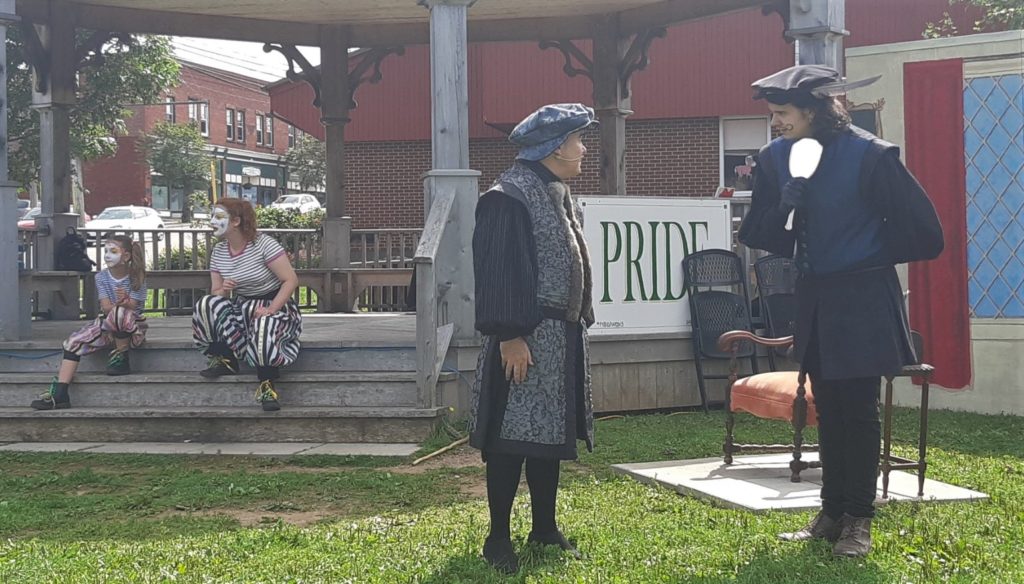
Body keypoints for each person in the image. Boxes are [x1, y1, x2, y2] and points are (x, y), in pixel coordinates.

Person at [738, 64, 943, 557]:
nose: (776, 123)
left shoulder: (869, 156)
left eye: (783, 113)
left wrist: (864, 251)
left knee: (859, 409)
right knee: (827, 407)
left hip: (864, 295)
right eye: (773, 114)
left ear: (812, 110)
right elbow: (758, 235)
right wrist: (782, 209)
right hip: (816, 296)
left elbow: (925, 233)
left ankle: (859, 519)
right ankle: (831, 513)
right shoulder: (774, 159)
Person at [469, 103, 598, 574]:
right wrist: (510, 336)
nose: (583, 150)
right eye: (578, 141)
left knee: (548, 434)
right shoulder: (508, 196)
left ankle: (544, 527)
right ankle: (497, 538)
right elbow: (499, 270)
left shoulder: (556, 192)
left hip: (558, 338)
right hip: (525, 338)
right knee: (509, 439)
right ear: (557, 147)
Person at [192, 198, 302, 411]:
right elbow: (217, 294)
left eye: (219, 217)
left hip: (275, 305)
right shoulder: (219, 252)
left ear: (235, 221)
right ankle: (224, 358)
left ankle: (267, 383)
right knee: (207, 303)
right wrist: (225, 288)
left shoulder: (263, 244)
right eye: (212, 216)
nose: (212, 221)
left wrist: (271, 309)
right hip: (243, 307)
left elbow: (290, 280)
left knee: (264, 325)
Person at [31, 235, 148, 410]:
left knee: (120, 313)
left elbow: (134, 307)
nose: (107, 255)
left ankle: (121, 356)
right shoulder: (101, 277)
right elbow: (106, 307)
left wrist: (125, 302)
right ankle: (61, 393)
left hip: (133, 328)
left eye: (113, 251)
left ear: (126, 256)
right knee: (72, 343)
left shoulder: (137, 277)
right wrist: (119, 303)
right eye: (106, 251)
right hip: (108, 324)